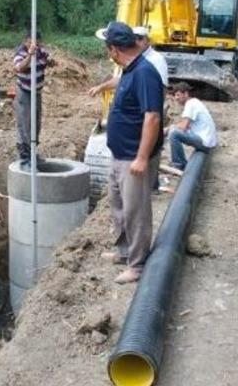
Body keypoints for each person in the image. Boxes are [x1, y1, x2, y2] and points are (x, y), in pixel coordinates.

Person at [95, 21, 164, 284]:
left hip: (134, 158)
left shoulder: (145, 73)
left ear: (114, 49)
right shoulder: (130, 70)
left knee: (136, 213)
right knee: (119, 206)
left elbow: (153, 118)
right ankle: (123, 252)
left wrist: (142, 158)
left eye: (107, 48)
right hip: (120, 155)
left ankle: (137, 265)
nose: (107, 52)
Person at [87, 25, 168, 97]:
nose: (137, 41)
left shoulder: (156, 59)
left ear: (147, 40)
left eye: (140, 38)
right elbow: (120, 79)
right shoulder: (133, 60)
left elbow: (161, 88)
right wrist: (100, 88)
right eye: (134, 38)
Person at [12, 31, 54, 169]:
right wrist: (30, 55)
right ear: (26, 42)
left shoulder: (42, 52)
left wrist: (50, 60)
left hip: (37, 92)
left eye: (37, 42)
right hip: (24, 92)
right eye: (30, 42)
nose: (34, 45)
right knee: (25, 124)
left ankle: (32, 153)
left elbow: (51, 63)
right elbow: (19, 68)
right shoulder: (21, 53)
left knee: (36, 124)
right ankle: (24, 157)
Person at [166, 82, 218, 170]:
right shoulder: (195, 102)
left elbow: (183, 126)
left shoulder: (190, 104)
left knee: (174, 134)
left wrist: (168, 129)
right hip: (209, 140)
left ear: (186, 94)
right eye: (175, 95)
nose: (176, 98)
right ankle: (180, 162)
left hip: (205, 142)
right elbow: (186, 125)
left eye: (178, 95)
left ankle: (179, 164)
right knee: (174, 130)